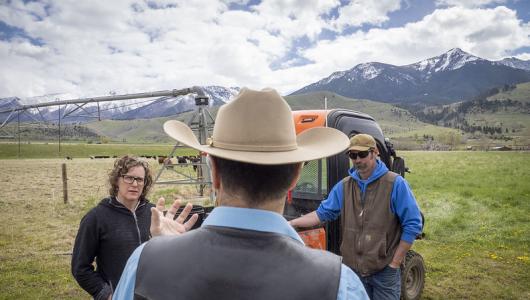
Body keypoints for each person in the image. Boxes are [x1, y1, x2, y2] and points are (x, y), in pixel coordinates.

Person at [113, 88, 369, 300]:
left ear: (213, 172)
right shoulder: (338, 285)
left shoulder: (144, 263)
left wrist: (165, 249)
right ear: (295, 176)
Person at [289, 133, 423, 300]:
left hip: (384, 271)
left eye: (362, 154)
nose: (357, 160)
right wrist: (291, 223)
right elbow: (321, 214)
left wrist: (394, 263)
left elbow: (413, 224)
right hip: (353, 272)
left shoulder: (395, 184)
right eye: (353, 155)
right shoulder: (344, 186)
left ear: (375, 153)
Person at [71, 155, 156, 300]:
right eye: (129, 178)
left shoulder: (154, 213)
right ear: (117, 180)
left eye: (140, 179)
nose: (135, 184)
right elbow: (80, 268)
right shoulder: (96, 218)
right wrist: (107, 294)